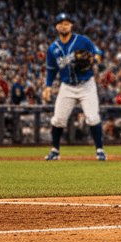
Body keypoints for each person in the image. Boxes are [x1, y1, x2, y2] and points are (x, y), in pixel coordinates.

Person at [42, 12, 106, 161]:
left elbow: (97, 51)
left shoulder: (82, 40)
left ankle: (100, 150)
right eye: (61, 24)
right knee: (58, 120)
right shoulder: (53, 49)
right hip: (67, 86)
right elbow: (51, 70)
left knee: (93, 118)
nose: (64, 26)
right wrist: (48, 86)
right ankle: (55, 151)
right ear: (57, 27)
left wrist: (96, 58)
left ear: (71, 25)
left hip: (86, 84)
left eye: (67, 23)